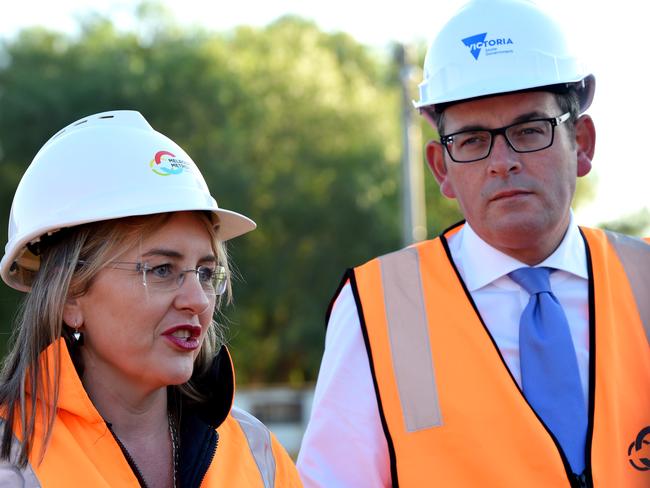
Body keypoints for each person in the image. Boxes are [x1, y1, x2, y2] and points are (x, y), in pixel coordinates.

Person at [297, 0, 650, 486]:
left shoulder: (645, 281)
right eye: (472, 140)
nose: (501, 161)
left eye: (530, 130)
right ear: (441, 168)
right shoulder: (380, 308)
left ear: (582, 143)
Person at [0, 110, 302, 487]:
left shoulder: (257, 453)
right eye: (161, 269)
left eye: (206, 273)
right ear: (71, 297)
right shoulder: (12, 463)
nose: (198, 300)